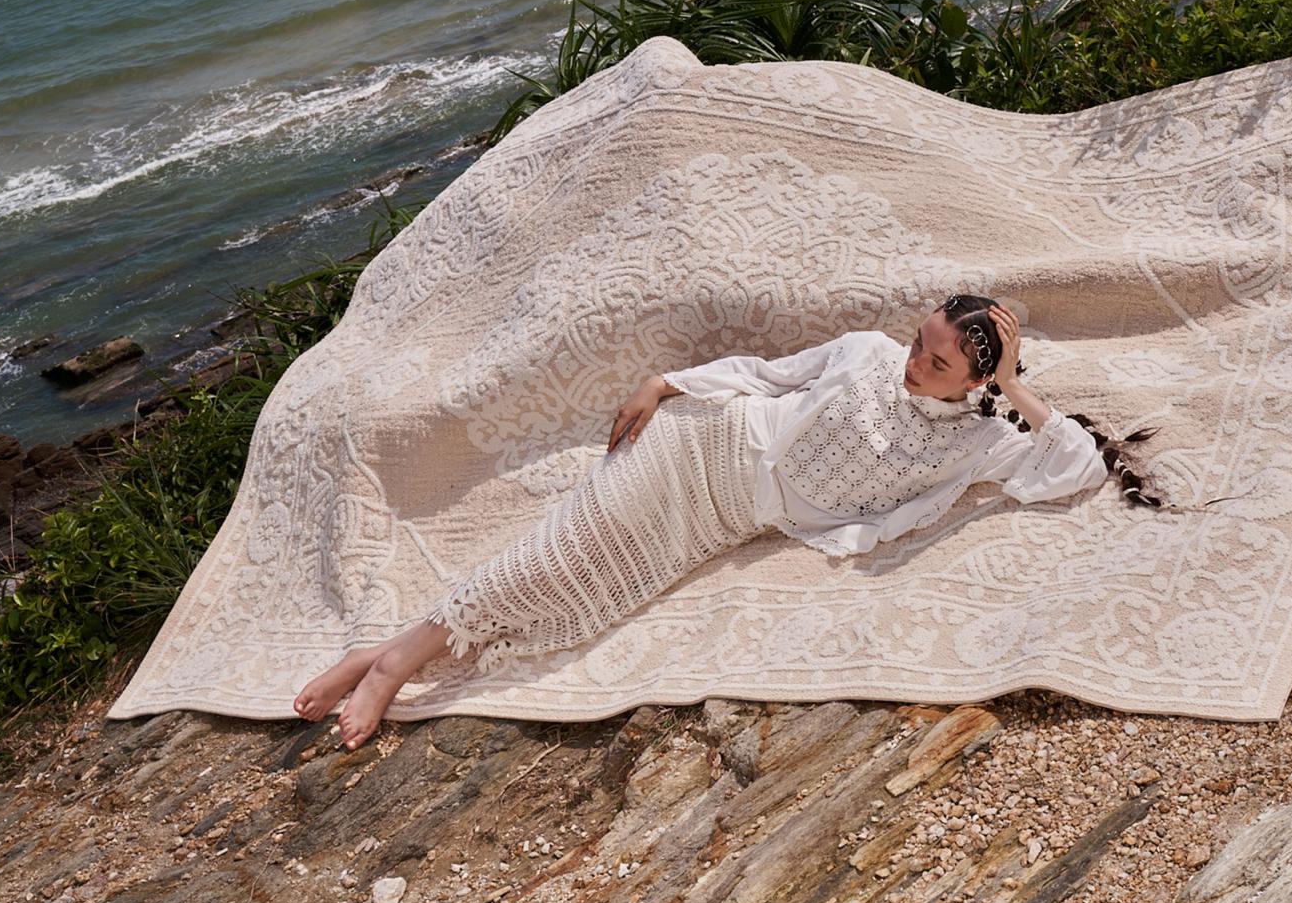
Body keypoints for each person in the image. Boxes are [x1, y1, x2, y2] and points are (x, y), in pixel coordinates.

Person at [293, 294, 1154, 750]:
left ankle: (374, 654)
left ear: (975, 382)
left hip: (722, 518)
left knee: (584, 596)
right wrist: (666, 383)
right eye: (916, 342)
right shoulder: (864, 351)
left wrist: (1013, 384)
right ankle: (395, 663)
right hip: (700, 441)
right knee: (551, 554)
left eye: (935, 363)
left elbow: (1076, 467)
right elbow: (765, 376)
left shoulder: (977, 442)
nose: (911, 363)